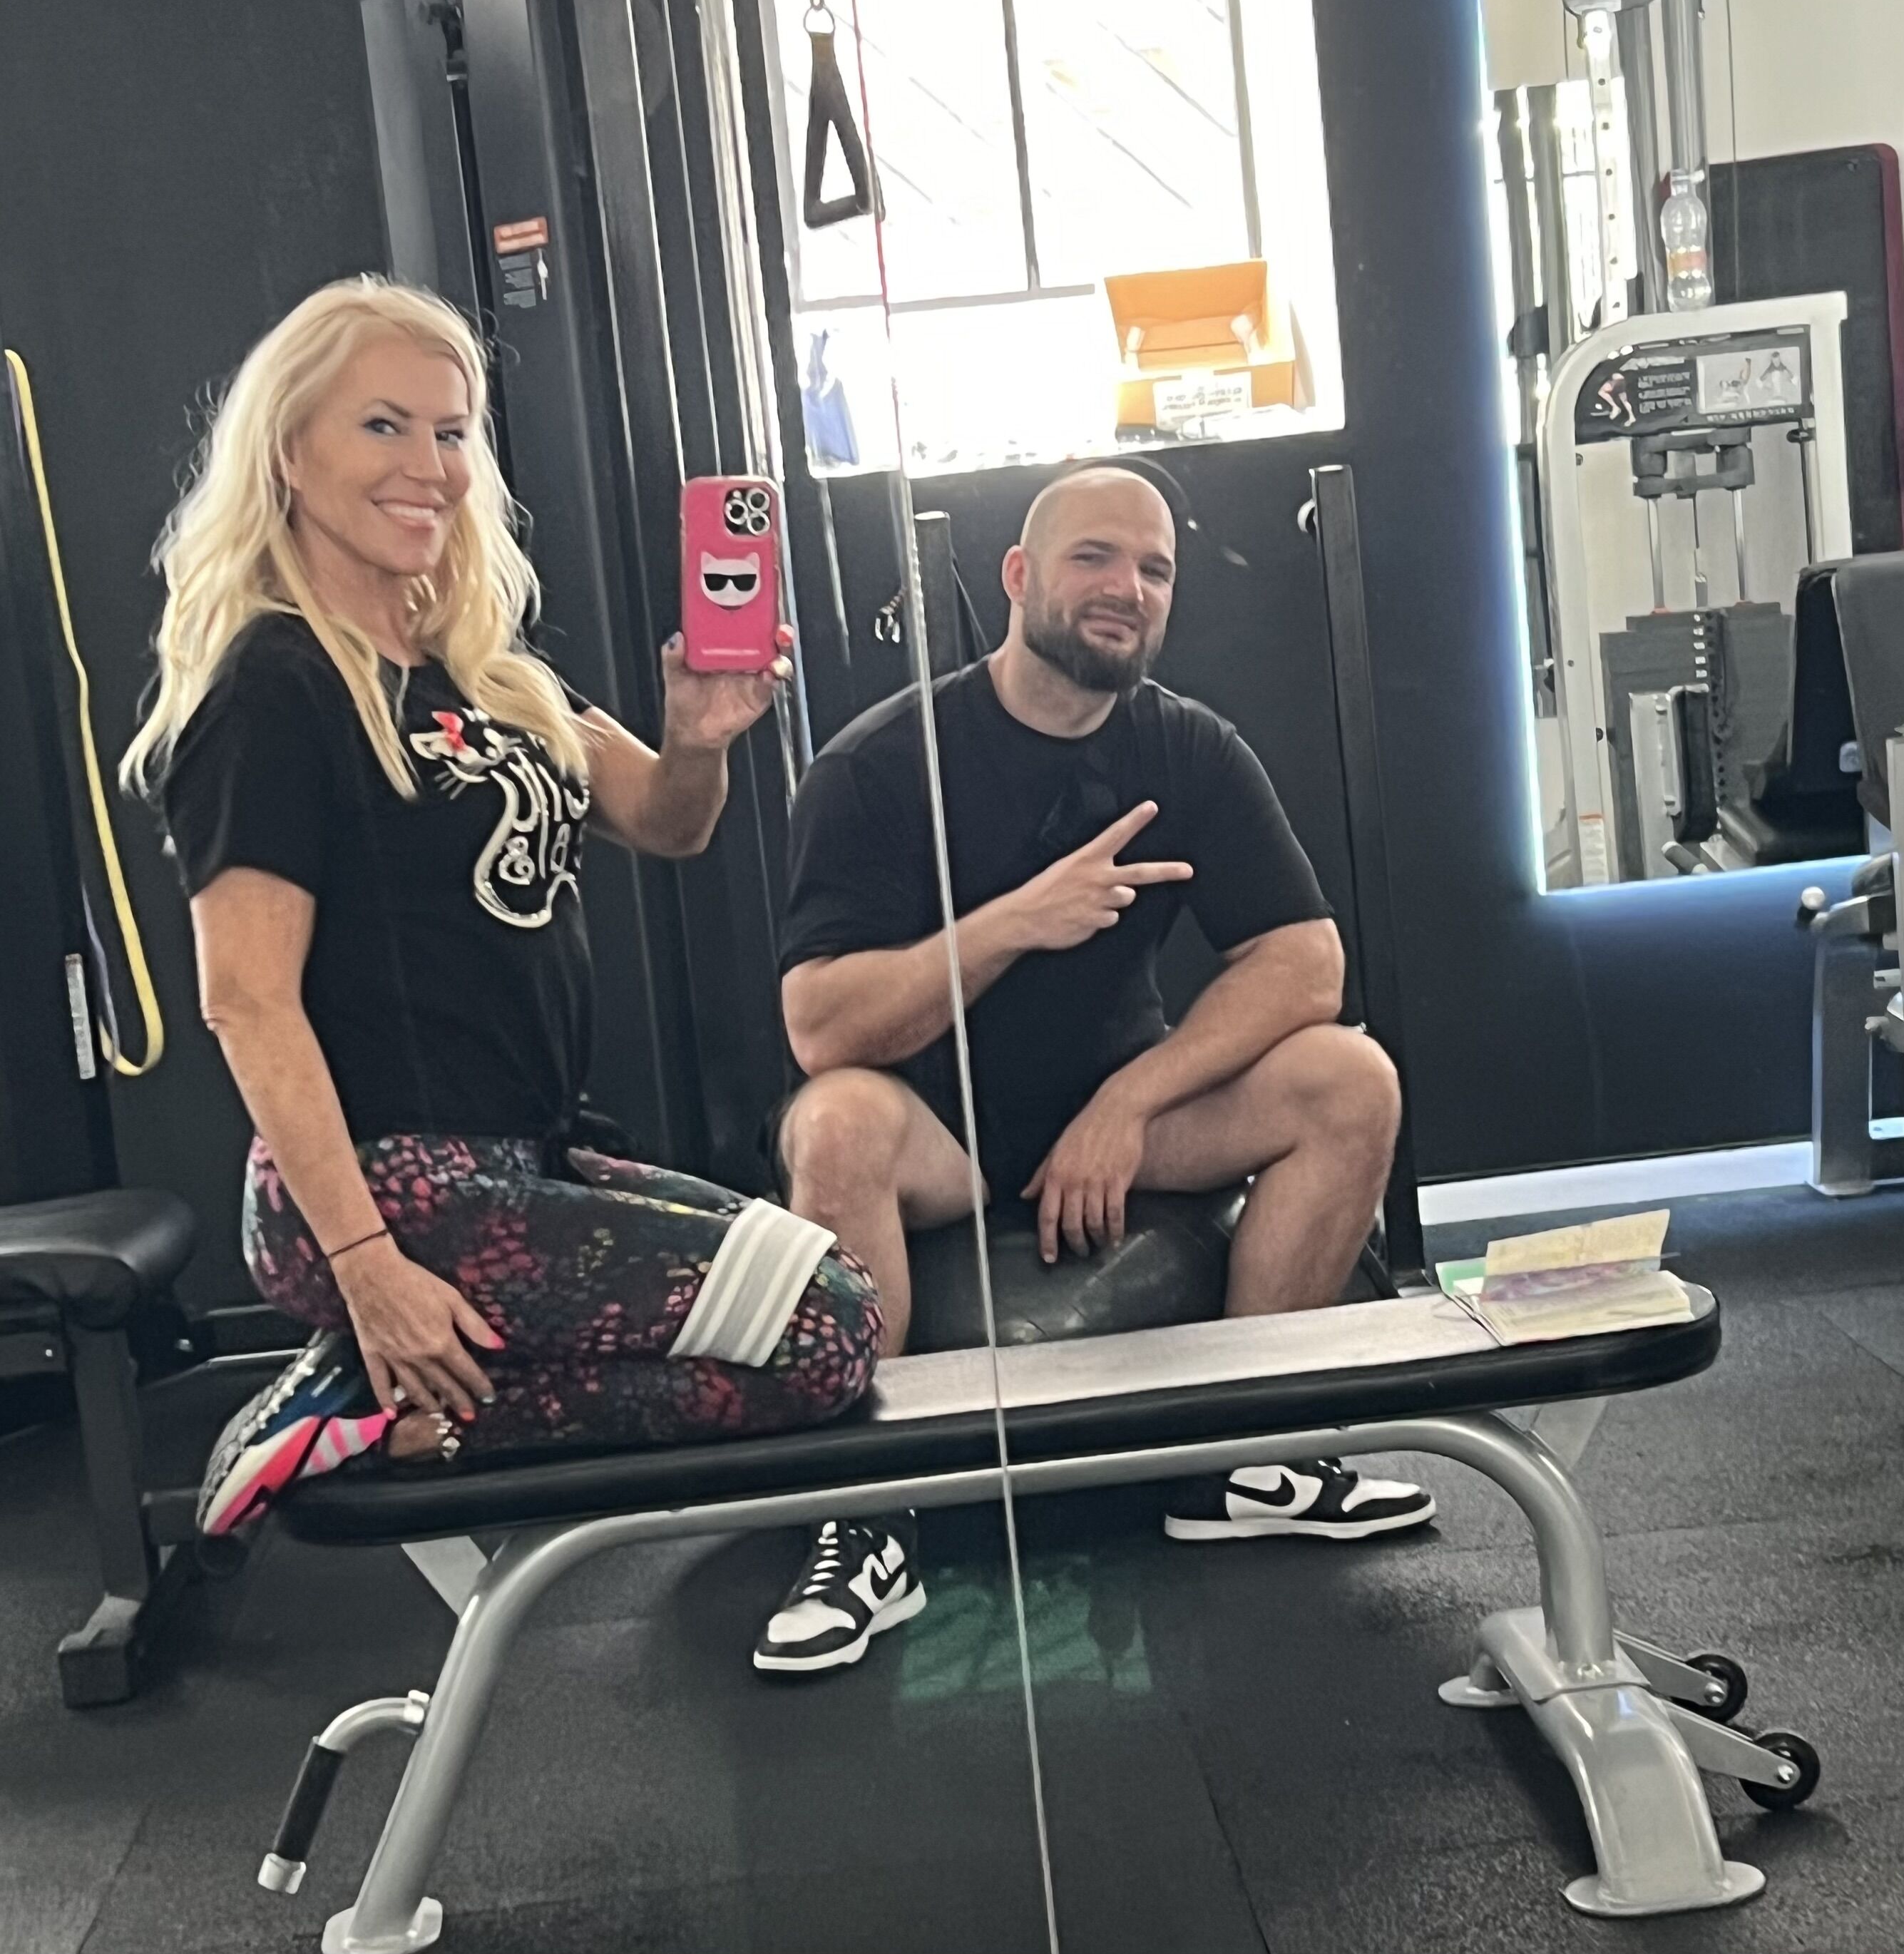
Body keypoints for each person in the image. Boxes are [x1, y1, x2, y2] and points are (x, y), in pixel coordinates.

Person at [123, 276, 882, 1537]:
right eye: (383, 425)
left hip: (523, 1156)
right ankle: (367, 1420)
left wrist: (700, 738)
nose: (428, 465)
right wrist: (367, 1266)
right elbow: (245, 1001)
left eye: (450, 430)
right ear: (289, 453)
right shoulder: (273, 686)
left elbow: (666, 820)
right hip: (390, 1181)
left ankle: (371, 1393)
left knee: (833, 1284)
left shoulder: (481, 674)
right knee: (824, 1329)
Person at [754, 466, 1432, 1677]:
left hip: (1119, 1112)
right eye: (1094, 558)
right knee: (833, 1121)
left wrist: (1131, 1098)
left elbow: (1303, 962)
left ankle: (1247, 1457)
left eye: (1154, 569)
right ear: (1019, 576)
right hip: (939, 1135)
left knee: (1350, 1078)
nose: (1127, 587)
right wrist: (1013, 922)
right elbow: (820, 1027)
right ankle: (868, 1517)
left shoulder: (1185, 746)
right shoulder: (881, 763)